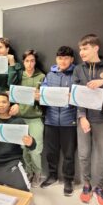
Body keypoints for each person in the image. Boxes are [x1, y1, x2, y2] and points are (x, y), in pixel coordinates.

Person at [73, 34, 103, 205]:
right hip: (84, 119)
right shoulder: (78, 69)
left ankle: (99, 188)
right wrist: (82, 117)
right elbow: (76, 94)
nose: (81, 52)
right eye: (80, 49)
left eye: (85, 48)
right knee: (84, 154)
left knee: (102, 155)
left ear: (95, 48)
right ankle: (86, 184)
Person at [39, 46, 77, 196]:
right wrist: (41, 95)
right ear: (56, 59)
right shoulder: (49, 75)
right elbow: (44, 94)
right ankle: (52, 175)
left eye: (66, 58)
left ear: (72, 59)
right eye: (60, 58)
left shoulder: (77, 73)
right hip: (51, 120)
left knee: (69, 154)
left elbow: (80, 95)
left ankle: (68, 180)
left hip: (70, 121)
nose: (63, 61)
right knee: (51, 152)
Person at [0, 92, 36, 191]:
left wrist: (31, 142)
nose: (1, 105)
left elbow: (32, 146)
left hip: (13, 163)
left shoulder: (18, 121)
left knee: (24, 192)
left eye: (4, 102)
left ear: (9, 104)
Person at [11, 49, 45, 187]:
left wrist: (40, 98)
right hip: (21, 118)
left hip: (35, 118)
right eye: (27, 61)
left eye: (32, 61)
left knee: (36, 150)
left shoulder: (41, 76)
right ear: (23, 62)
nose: (29, 64)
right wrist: (16, 105)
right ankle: (28, 172)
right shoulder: (19, 77)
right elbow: (13, 94)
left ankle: (38, 174)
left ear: (35, 62)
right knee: (23, 149)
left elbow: (47, 98)